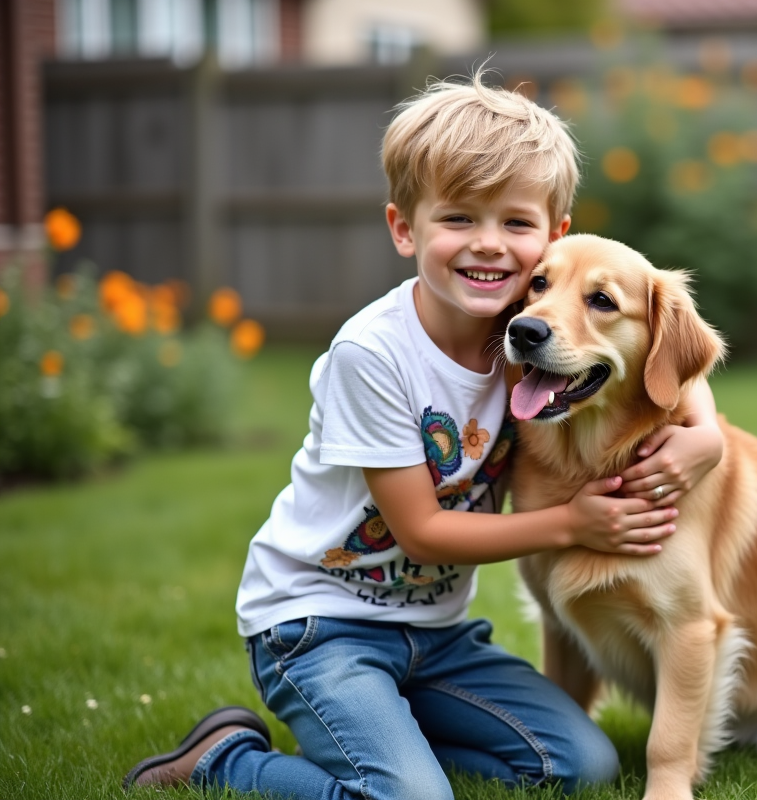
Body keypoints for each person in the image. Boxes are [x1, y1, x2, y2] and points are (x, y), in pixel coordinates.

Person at [123, 72, 724, 800]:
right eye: (460, 220)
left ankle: (399, 731)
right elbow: (422, 532)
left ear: (552, 239)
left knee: (583, 766)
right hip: (319, 628)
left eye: (515, 223)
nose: (490, 246)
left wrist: (707, 438)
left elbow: (664, 371)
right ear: (405, 228)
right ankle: (227, 758)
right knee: (411, 799)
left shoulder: (533, 333)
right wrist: (571, 523)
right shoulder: (373, 357)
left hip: (436, 635)